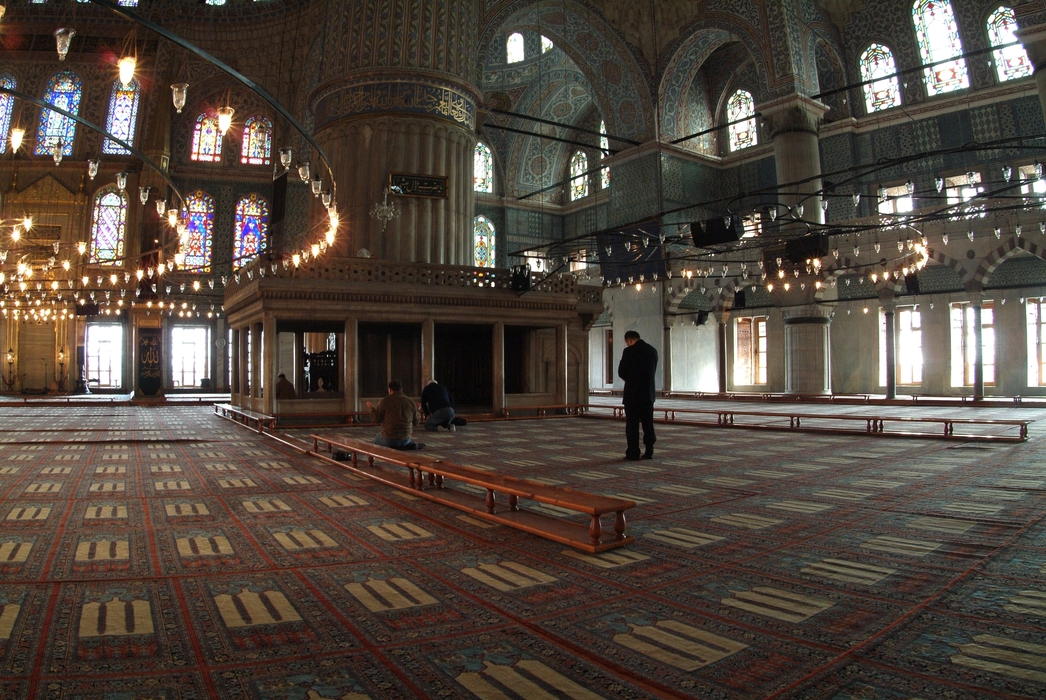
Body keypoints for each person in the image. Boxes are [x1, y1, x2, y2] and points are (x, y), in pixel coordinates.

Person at [617, 330, 658, 460]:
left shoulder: (629, 351)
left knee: (632, 425)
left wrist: (630, 380)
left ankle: (633, 452)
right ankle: (649, 451)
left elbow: (622, 372)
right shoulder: (652, 351)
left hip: (632, 395)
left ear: (629, 340)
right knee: (648, 424)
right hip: (648, 394)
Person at [365, 379, 424, 450]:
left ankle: (395, 446)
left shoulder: (385, 401)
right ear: (401, 389)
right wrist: (417, 410)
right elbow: (416, 422)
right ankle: (408, 445)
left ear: (390, 390)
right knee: (403, 440)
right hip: (405, 439)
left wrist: (371, 408)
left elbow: (377, 419)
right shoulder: (410, 402)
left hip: (389, 439)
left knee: (377, 438)